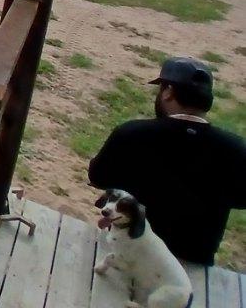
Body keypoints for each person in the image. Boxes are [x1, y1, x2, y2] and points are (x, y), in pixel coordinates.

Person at [88, 57, 246, 266]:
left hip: (127, 251)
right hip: (192, 262)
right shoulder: (236, 149)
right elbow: (242, 199)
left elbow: (98, 176)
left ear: (169, 91)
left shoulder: (132, 133)